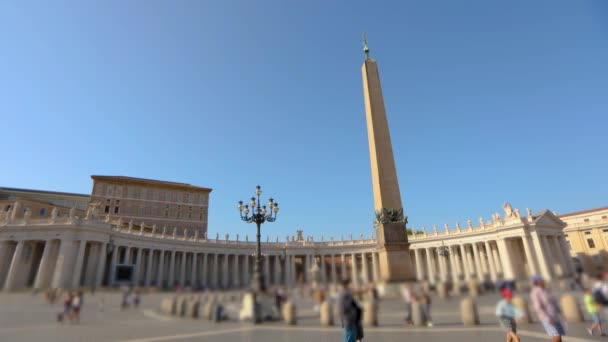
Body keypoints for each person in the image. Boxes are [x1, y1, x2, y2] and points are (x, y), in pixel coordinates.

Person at [530, 275, 565, 342]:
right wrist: (547, 318)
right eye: (541, 280)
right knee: (556, 336)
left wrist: (561, 313)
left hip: (554, 315)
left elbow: (554, 303)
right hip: (546, 317)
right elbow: (538, 307)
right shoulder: (535, 292)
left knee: (559, 336)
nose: (543, 281)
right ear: (537, 282)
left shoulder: (546, 290)